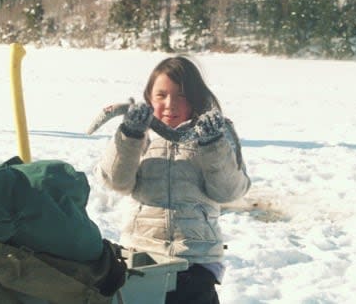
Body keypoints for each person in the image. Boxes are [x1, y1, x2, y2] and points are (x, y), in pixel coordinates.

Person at [95, 55, 250, 304]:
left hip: (194, 263)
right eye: (161, 95)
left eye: (181, 95)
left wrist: (213, 146)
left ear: (196, 98)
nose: (171, 104)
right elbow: (116, 181)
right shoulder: (140, 135)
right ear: (148, 97)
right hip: (143, 259)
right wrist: (130, 136)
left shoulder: (216, 135)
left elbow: (229, 192)